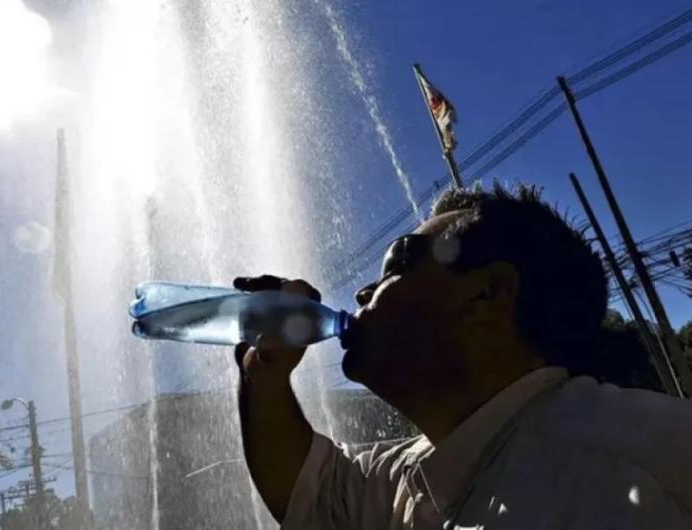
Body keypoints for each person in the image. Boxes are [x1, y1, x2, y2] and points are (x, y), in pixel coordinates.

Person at [233, 183, 692, 529]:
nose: (363, 292)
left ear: (488, 294)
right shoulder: (422, 472)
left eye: (398, 260)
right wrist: (264, 373)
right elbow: (310, 490)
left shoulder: (644, 463)